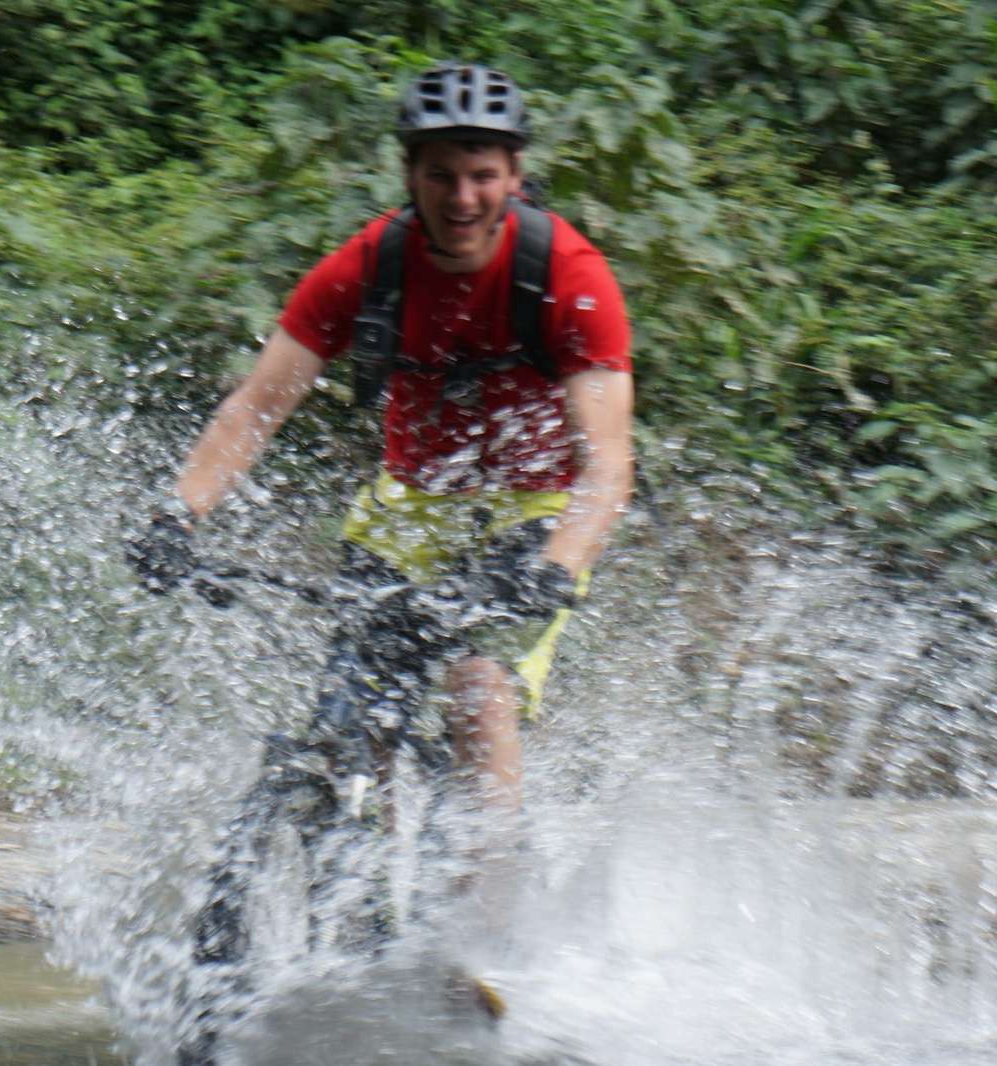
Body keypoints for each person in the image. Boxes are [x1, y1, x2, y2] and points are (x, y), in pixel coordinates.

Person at [129, 61, 634, 822]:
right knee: (359, 715)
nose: (462, 199)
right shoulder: (365, 270)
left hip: (538, 507)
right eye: (441, 176)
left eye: (482, 175)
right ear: (408, 173)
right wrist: (178, 515)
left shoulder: (570, 276)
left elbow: (608, 465)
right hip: (412, 502)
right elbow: (254, 409)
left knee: (475, 687)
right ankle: (357, 875)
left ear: (514, 174)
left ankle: (488, 923)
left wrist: (556, 567)